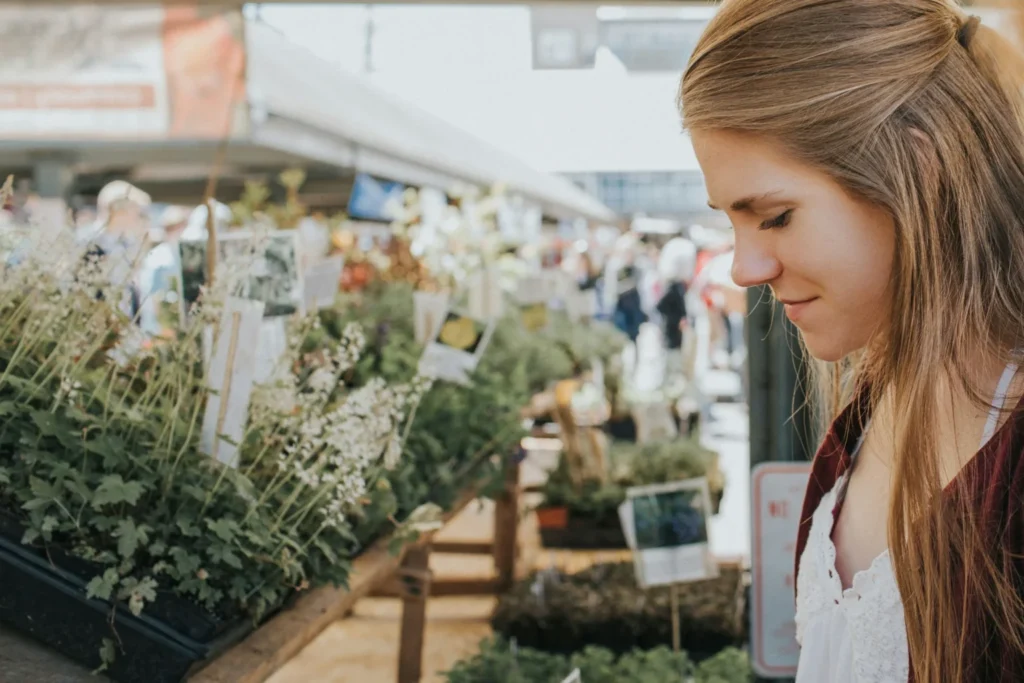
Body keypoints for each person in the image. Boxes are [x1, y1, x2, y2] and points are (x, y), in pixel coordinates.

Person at [680, 2, 1024, 681]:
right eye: (732, 222)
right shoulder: (875, 398)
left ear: (919, 167)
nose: (744, 268)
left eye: (775, 217)